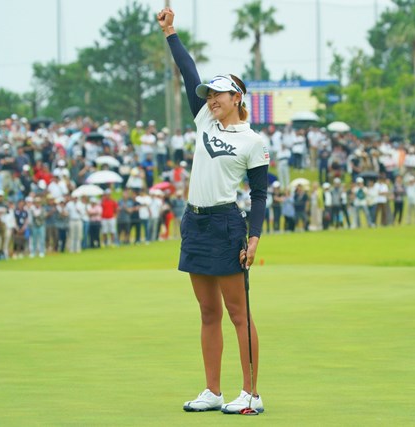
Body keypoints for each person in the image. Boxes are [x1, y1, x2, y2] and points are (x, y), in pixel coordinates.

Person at [160, 7, 269, 414]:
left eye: (218, 95)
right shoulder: (206, 119)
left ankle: (252, 394)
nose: (210, 100)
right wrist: (171, 33)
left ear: (236, 97)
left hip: (226, 223)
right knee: (208, 312)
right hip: (195, 221)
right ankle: (212, 391)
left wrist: (254, 237)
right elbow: (189, 71)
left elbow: (259, 195)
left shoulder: (253, 141)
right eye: (208, 96)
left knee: (238, 312)